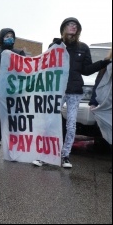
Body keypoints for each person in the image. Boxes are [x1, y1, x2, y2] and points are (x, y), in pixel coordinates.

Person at [33, 17, 111, 168]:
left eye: (76, 25)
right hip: (56, 91)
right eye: (70, 24)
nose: (73, 27)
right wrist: (53, 48)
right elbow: (45, 66)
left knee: (71, 126)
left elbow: (86, 70)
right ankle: (44, 155)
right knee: (49, 122)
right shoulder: (55, 46)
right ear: (63, 28)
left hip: (74, 92)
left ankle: (65, 156)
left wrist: (104, 63)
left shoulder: (83, 48)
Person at [0, 28, 26, 159]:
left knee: (14, 125)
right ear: (1, 38)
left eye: (12, 36)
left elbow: (25, 73)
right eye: (7, 36)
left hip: (14, 97)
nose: (9, 38)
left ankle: (14, 151)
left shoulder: (19, 53)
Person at [89, 49, 112, 174]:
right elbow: (98, 83)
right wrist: (93, 101)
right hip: (107, 104)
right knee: (110, 132)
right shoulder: (106, 64)